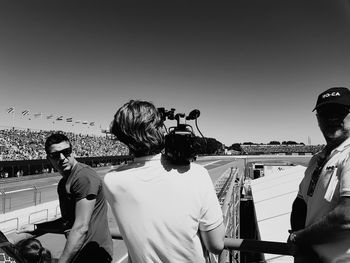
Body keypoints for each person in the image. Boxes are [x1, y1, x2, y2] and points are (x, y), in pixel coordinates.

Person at [104, 100, 225, 263]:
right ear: (161, 130)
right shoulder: (197, 174)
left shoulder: (111, 181)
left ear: (121, 136)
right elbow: (216, 244)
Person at [19, 133, 113, 263]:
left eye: (66, 152)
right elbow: (67, 222)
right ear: (49, 159)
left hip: (95, 254)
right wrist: (37, 227)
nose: (62, 158)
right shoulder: (63, 184)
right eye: (56, 155)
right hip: (80, 252)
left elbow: (80, 227)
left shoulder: (83, 177)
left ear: (72, 152)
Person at [288, 87, 350, 263]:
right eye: (324, 113)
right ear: (317, 119)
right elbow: (300, 203)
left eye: (339, 112)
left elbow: (346, 217)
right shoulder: (317, 159)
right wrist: (300, 240)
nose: (331, 118)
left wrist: (299, 238)